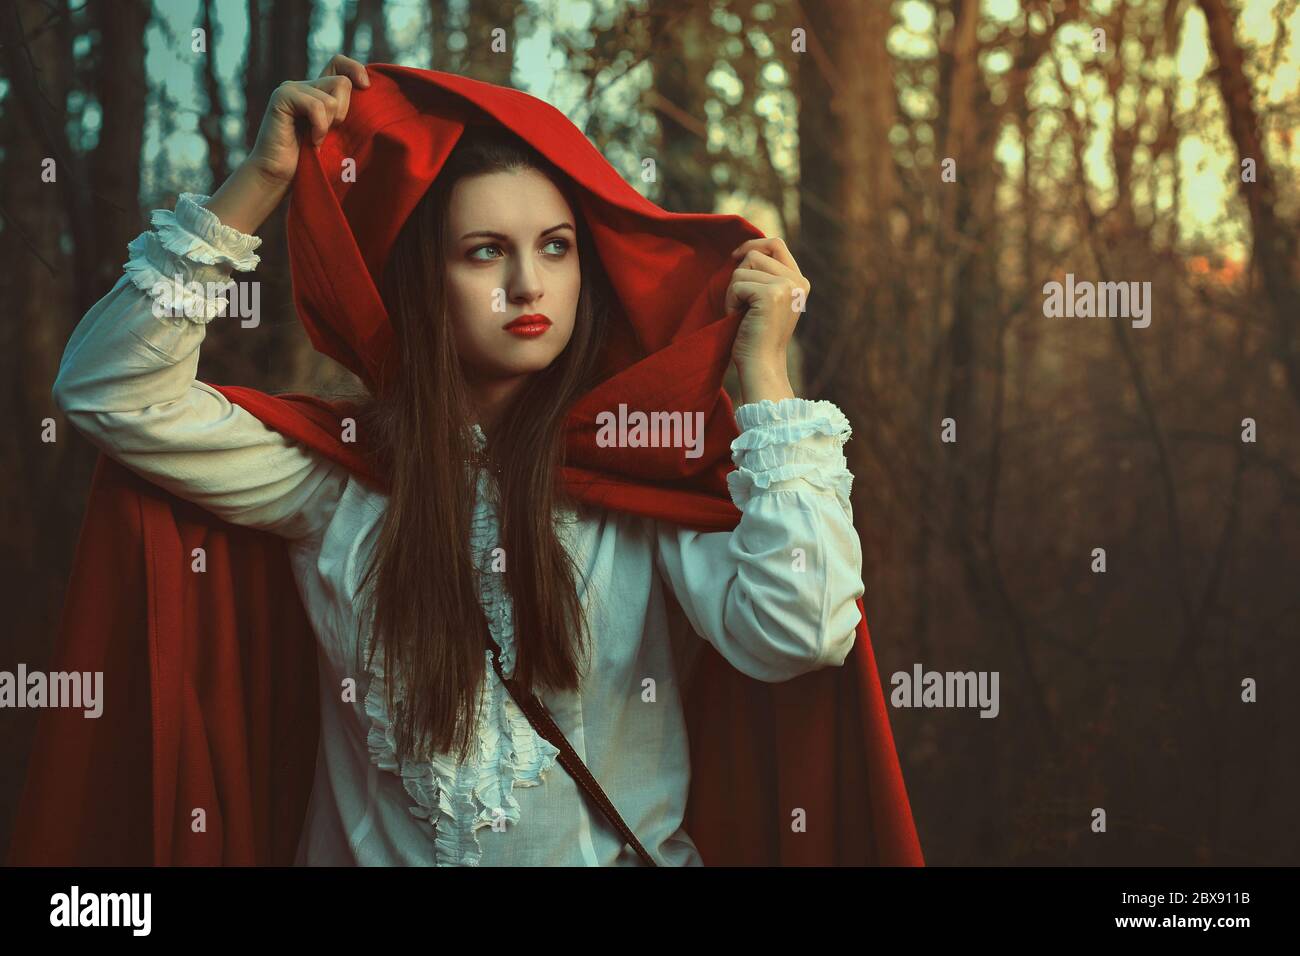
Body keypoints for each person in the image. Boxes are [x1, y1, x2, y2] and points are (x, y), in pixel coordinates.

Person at [42, 56, 909, 867]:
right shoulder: (335, 478)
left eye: (556, 247)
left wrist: (763, 376)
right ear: (429, 281)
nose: (528, 284)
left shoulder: (640, 474)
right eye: (485, 250)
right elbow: (112, 393)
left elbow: (805, 631)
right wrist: (261, 180)